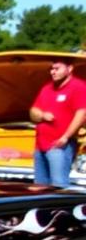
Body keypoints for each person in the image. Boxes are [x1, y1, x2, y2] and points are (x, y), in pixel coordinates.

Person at [29, 59, 86, 187]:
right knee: (39, 187)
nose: (52, 72)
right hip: (40, 146)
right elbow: (33, 111)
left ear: (69, 69)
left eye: (57, 69)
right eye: (51, 69)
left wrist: (65, 137)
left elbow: (81, 114)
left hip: (59, 147)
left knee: (59, 186)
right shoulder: (47, 88)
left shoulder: (79, 87)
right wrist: (42, 115)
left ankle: (59, 208)